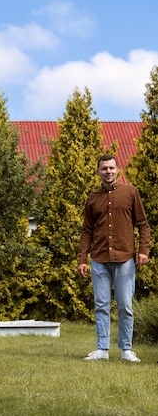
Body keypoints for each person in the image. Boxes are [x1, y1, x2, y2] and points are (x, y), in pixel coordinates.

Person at [77, 154, 150, 362]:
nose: (108, 172)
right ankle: (102, 349)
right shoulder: (92, 199)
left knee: (125, 305)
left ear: (118, 170)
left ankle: (126, 349)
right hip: (99, 258)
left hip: (125, 258)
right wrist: (82, 258)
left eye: (111, 168)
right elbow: (86, 232)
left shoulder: (130, 193)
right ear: (98, 172)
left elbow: (143, 225)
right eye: (104, 169)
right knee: (101, 304)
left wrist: (143, 250)